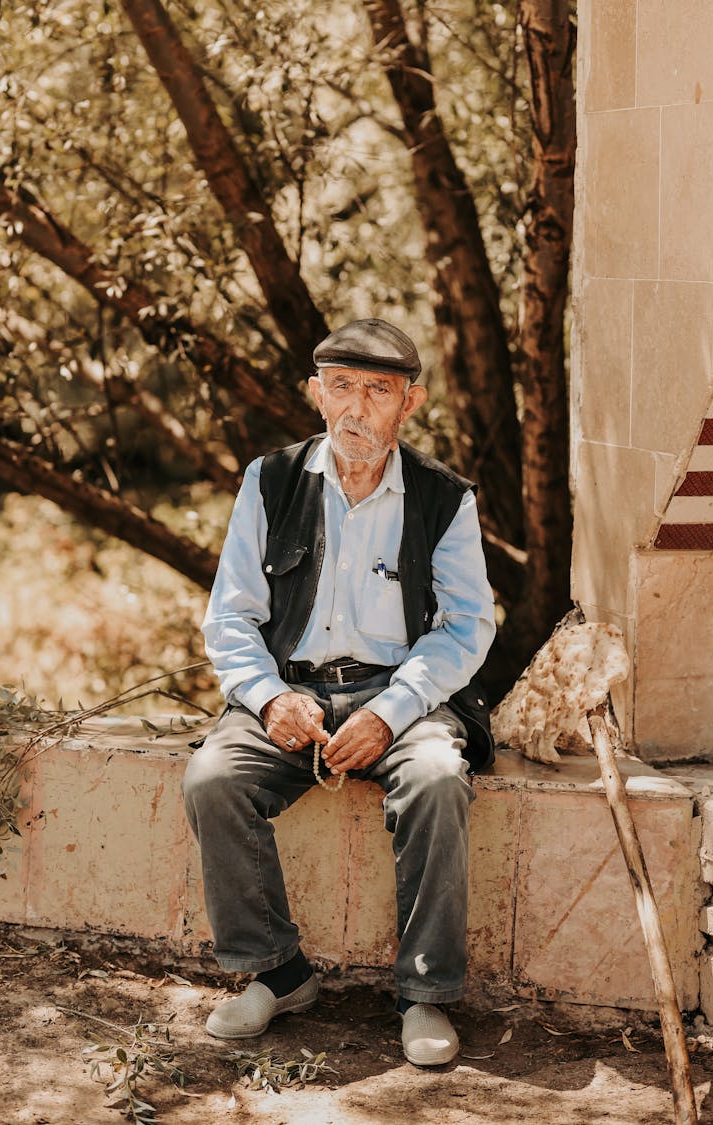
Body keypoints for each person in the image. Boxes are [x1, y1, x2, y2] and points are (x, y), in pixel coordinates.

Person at [182, 317, 496, 1067]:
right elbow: (230, 615)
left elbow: (466, 628)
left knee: (436, 777)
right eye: (344, 388)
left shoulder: (444, 497)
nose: (358, 409)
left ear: (409, 404)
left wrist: (390, 714)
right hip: (291, 691)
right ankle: (277, 973)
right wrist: (266, 697)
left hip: (403, 697)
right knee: (213, 777)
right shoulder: (271, 479)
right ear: (317, 394)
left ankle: (424, 994)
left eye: (379, 391)